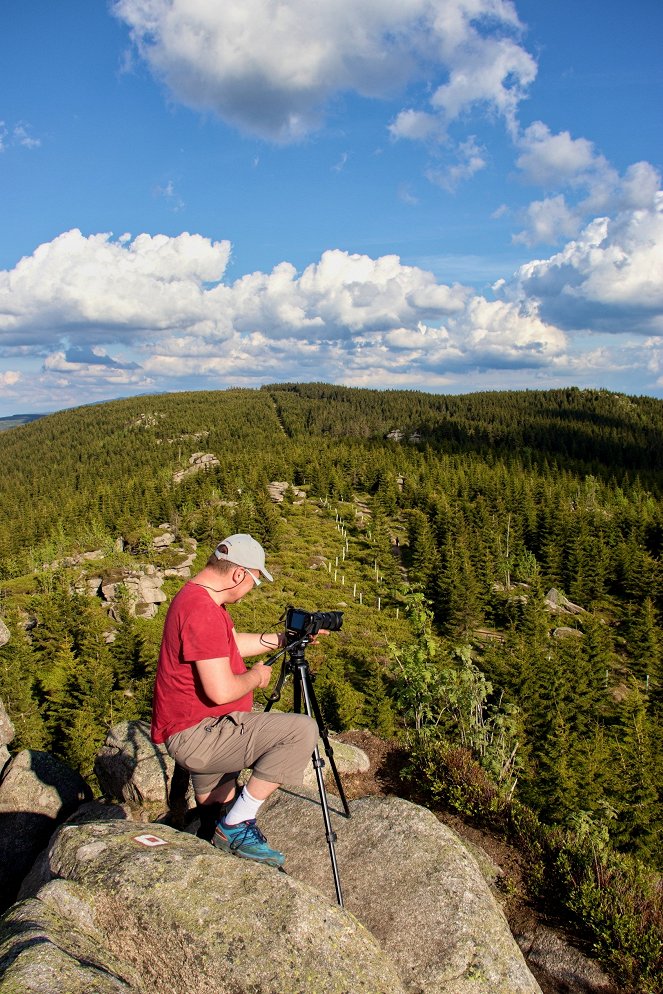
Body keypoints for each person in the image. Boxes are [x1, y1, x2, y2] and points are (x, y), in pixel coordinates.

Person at [151, 533, 319, 868]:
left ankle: (217, 830)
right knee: (301, 731)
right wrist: (256, 678)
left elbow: (224, 646)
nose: (252, 587)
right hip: (200, 734)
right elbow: (221, 691)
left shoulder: (194, 597)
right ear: (239, 574)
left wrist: (281, 639)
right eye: (255, 580)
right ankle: (235, 827)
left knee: (216, 806)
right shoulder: (203, 612)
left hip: (196, 728)